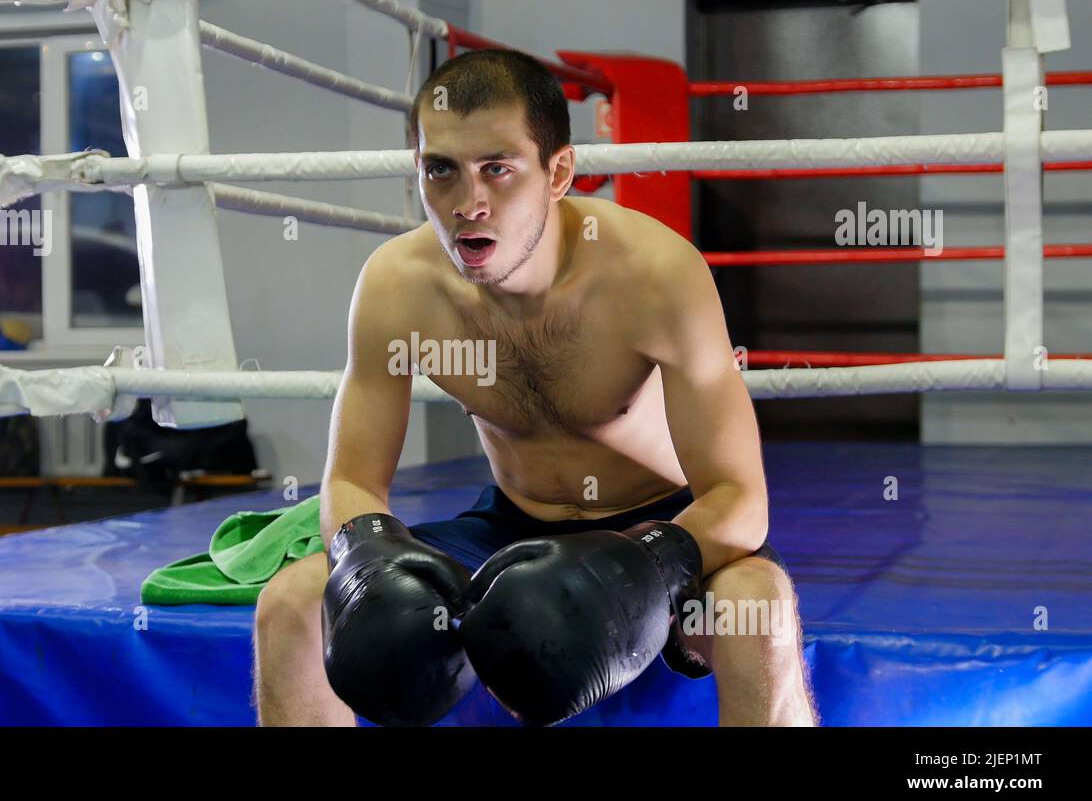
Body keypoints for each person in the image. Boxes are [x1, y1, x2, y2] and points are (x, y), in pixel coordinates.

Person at [252, 49, 817, 727]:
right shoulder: (397, 288)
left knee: (761, 604)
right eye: (442, 170)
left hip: (666, 518)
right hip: (510, 527)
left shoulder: (655, 276)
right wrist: (372, 560)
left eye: (498, 168)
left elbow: (740, 498)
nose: (469, 204)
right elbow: (350, 483)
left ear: (559, 172)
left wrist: (642, 568)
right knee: (289, 605)